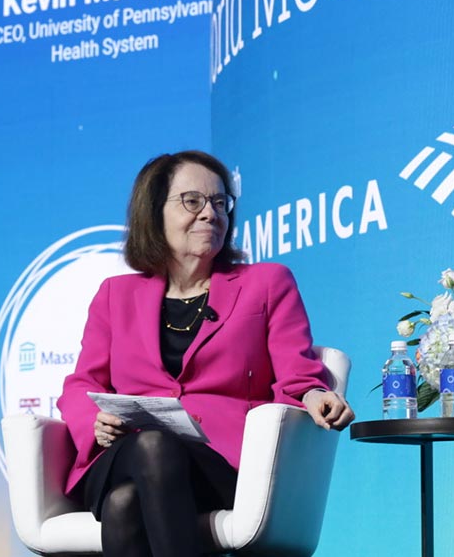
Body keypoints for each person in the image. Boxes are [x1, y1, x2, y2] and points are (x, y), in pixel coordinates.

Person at [57, 150, 354, 557]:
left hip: (219, 463)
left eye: (219, 203)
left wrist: (316, 394)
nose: (211, 214)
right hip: (126, 455)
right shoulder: (115, 295)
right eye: (192, 201)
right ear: (154, 212)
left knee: (123, 504)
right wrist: (94, 422)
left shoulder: (267, 283)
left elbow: (297, 373)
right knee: (150, 449)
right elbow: (81, 384)